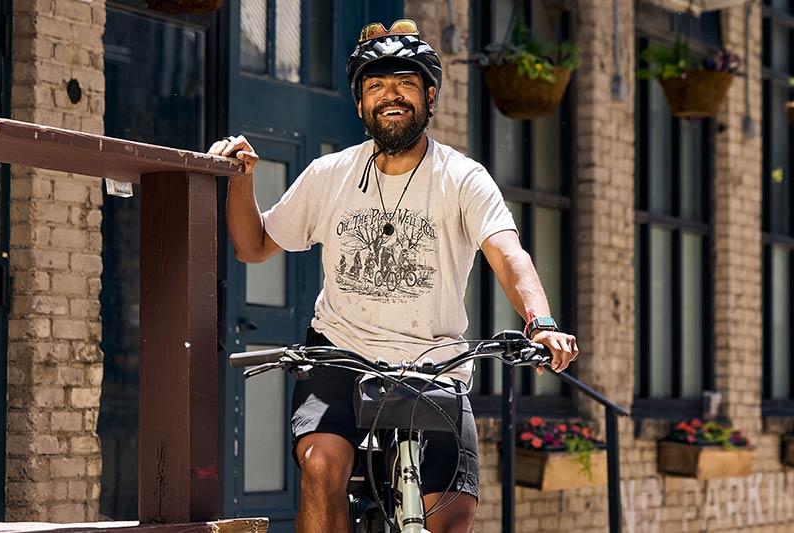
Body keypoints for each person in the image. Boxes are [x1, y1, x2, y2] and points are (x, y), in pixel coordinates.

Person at [209, 19, 578, 533]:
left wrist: (540, 321)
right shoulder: (329, 175)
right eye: (376, 86)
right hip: (339, 354)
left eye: (405, 84)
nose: (391, 96)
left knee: (452, 516)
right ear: (360, 105)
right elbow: (252, 246)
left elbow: (506, 253)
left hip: (434, 365)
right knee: (320, 466)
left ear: (429, 97)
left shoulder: (462, 178)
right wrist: (243, 182)